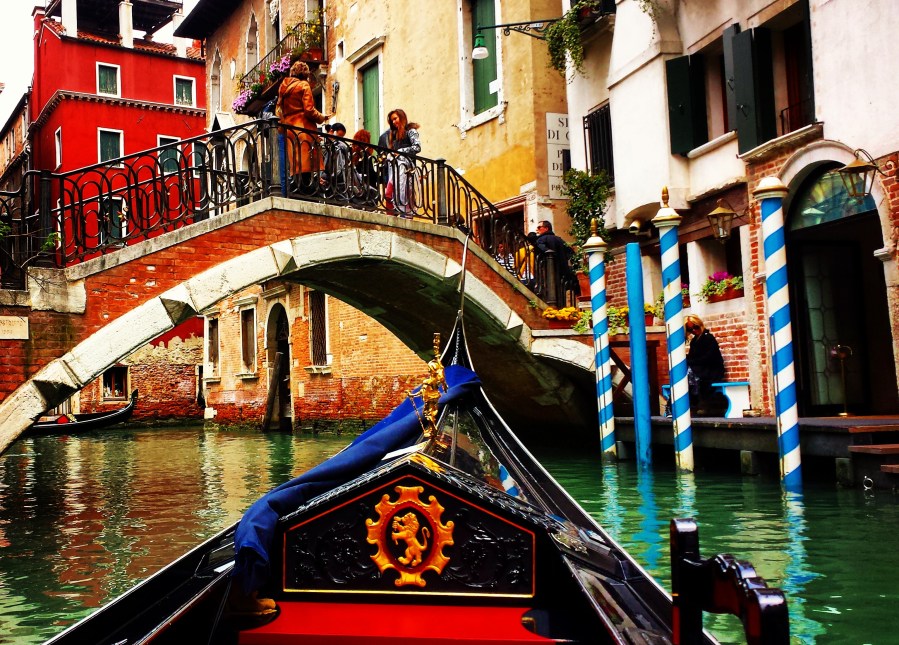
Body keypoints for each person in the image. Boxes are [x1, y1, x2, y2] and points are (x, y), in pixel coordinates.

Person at [276, 61, 331, 192]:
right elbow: (309, 110)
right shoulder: (303, 85)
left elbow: (279, 109)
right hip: (303, 128)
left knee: (296, 165)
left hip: (289, 129)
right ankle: (306, 193)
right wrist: (322, 117)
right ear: (305, 73)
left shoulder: (283, 87)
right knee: (307, 165)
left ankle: (296, 192)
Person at [684, 314, 726, 415]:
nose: (694, 331)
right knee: (687, 370)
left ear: (700, 324)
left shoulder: (708, 338)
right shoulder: (694, 341)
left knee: (690, 371)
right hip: (700, 368)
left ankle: (696, 403)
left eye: (695, 327)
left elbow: (709, 358)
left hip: (711, 369)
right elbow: (693, 357)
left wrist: (691, 362)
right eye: (690, 329)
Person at [385, 108, 421, 218]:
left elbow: (417, 147)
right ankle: (393, 217)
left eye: (395, 118)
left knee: (404, 193)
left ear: (402, 117)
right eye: (392, 120)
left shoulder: (411, 131)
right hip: (395, 168)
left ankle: (405, 217)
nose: (394, 122)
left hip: (406, 167)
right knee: (389, 193)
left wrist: (401, 152)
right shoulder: (394, 135)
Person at [533, 220, 579, 298]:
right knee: (561, 292)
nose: (537, 229)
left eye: (539, 227)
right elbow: (571, 253)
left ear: (546, 228)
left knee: (550, 292)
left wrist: (550, 255)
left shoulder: (540, 240)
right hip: (562, 270)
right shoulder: (559, 240)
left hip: (548, 271)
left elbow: (542, 249)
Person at [350, 129, 379, 207]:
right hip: (367, 191)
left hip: (356, 190)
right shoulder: (365, 155)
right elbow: (370, 173)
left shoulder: (352, 154)